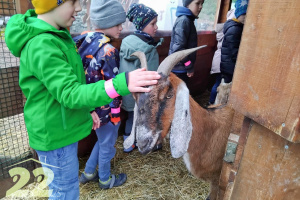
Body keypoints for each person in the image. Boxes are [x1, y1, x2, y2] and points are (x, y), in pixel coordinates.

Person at [4, 0, 160, 199]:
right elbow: (69, 93)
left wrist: (87, 111)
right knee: (65, 192)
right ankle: (103, 177)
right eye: (73, 2)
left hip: (62, 129)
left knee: (67, 187)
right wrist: (122, 83)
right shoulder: (42, 44)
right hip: (55, 136)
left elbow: (69, 84)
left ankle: (89, 172)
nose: (78, 8)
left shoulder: (62, 37)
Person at [73, 0, 129, 189]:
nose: (121, 28)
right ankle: (105, 179)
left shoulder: (81, 42)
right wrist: (115, 113)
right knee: (108, 144)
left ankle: (89, 172)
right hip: (106, 109)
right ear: (106, 22)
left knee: (102, 139)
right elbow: (114, 86)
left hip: (89, 106)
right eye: (117, 23)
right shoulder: (109, 50)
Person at [119, 3, 163, 153]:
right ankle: (139, 143)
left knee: (131, 117)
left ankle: (127, 142)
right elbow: (151, 74)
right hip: (142, 94)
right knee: (142, 119)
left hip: (126, 90)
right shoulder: (148, 49)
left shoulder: (126, 42)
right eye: (153, 23)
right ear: (141, 25)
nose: (156, 27)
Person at [168, 0, 204, 84]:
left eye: (202, 4)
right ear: (187, 4)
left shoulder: (188, 20)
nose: (201, 6)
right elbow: (178, 49)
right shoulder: (184, 21)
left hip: (181, 67)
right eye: (197, 3)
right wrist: (189, 65)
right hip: (179, 68)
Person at [208, 9, 235, 105]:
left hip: (218, 59)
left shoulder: (222, 30)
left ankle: (211, 102)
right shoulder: (231, 29)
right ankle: (213, 103)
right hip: (223, 60)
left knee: (217, 83)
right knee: (220, 84)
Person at [220, 0, 248, 84]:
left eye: (247, 15)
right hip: (230, 67)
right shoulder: (234, 29)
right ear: (238, 14)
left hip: (228, 65)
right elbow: (234, 50)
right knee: (224, 85)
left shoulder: (237, 27)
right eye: (244, 15)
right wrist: (243, 62)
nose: (246, 17)